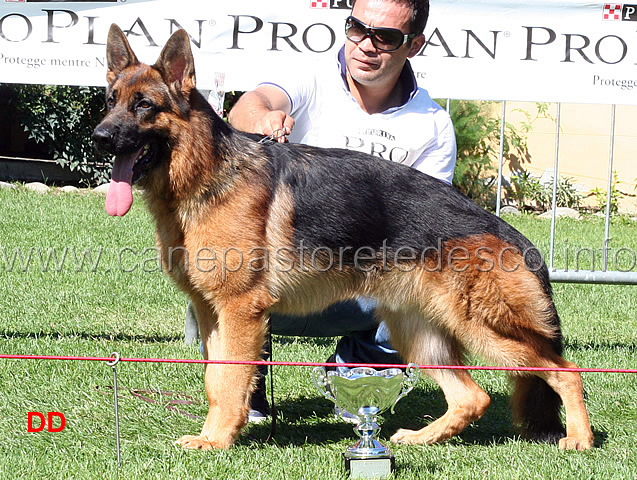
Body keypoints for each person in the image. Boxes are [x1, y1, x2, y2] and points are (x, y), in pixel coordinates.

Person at [189, 0, 457, 422]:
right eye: (357, 28)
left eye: (385, 37)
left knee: (414, 291)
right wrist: (265, 116)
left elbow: (426, 224)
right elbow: (248, 105)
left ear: (414, 45)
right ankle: (246, 398)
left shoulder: (433, 125)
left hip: (366, 283)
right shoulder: (311, 78)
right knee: (225, 275)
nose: (366, 45)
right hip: (289, 279)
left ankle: (357, 381)